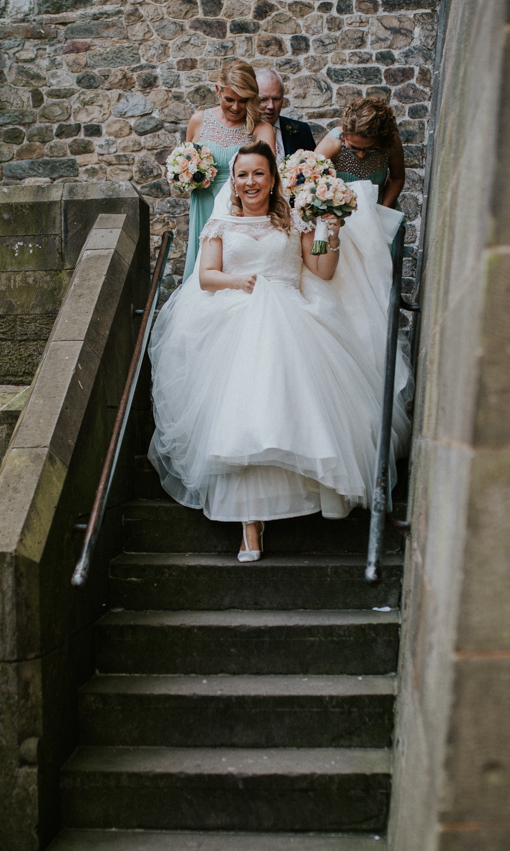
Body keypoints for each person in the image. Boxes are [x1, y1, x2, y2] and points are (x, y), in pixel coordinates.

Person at [148, 142, 412, 561]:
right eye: (242, 175)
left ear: (273, 180)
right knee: (241, 413)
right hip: (237, 316)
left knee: (290, 407)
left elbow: (321, 269)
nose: (250, 182)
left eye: (258, 174)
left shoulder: (295, 221)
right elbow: (206, 277)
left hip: (292, 316)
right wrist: (243, 282)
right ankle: (249, 525)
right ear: (233, 181)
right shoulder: (222, 223)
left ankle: (302, 491)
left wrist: (332, 232)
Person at [180, 60, 277, 282]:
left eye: (243, 101)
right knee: (203, 273)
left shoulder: (261, 129)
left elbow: (268, 178)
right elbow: (185, 160)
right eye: (229, 100)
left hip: (240, 210)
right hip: (204, 203)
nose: (235, 107)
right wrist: (183, 175)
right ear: (218, 91)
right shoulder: (198, 121)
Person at [315, 96, 407, 210]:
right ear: (345, 137)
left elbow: (396, 178)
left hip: (380, 209)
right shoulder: (332, 144)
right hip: (340, 218)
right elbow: (311, 183)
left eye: (370, 148)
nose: (361, 154)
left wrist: (382, 211)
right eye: (354, 148)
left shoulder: (390, 141)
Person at [256, 68, 315, 163]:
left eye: (276, 99)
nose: (271, 106)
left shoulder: (303, 131)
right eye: (263, 99)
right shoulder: (243, 132)